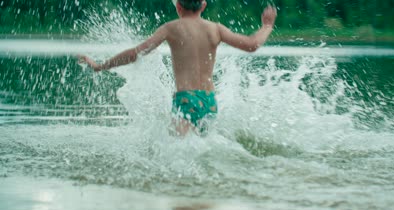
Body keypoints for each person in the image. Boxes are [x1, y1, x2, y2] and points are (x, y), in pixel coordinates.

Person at [79, 0, 277, 136]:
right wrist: (267, 25)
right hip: (210, 102)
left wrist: (100, 66)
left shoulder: (171, 28)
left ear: (178, 6)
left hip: (186, 100)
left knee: (181, 154)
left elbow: (135, 53)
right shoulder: (215, 29)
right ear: (204, 5)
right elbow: (252, 45)